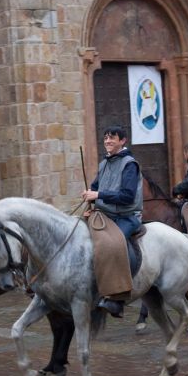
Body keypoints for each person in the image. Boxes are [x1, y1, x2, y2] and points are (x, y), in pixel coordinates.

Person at [81, 125, 143, 318]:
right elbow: (95, 186)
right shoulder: (104, 163)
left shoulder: (130, 164)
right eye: (106, 138)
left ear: (122, 141)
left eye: (112, 138)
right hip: (104, 214)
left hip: (127, 216)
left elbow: (127, 196)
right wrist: (89, 200)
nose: (108, 141)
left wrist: (98, 194)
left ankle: (118, 299)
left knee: (112, 244)